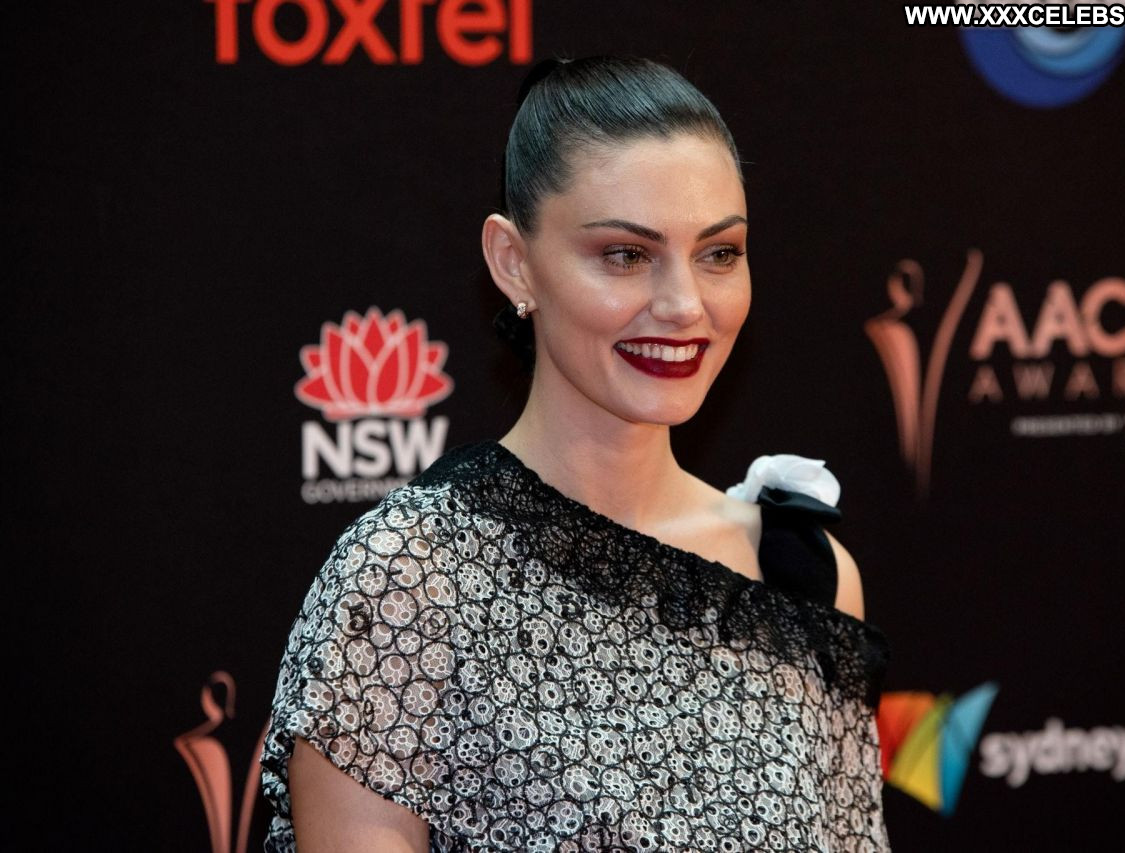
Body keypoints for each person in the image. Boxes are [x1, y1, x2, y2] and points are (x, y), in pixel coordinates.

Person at [260, 55, 890, 852]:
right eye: (626, 255)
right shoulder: (410, 580)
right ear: (513, 261)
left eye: (720, 253)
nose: (684, 304)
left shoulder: (802, 573)